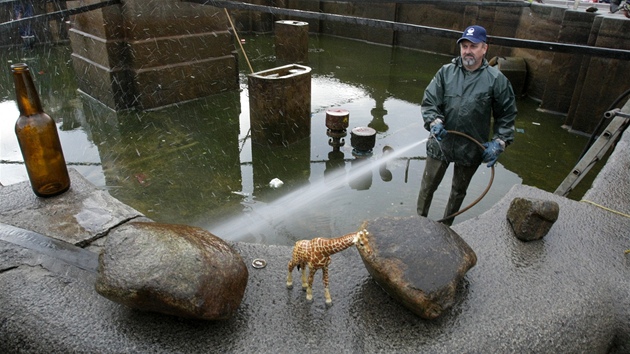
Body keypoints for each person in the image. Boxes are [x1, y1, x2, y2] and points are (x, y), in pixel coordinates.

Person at [417, 25, 517, 226]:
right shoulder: (446, 73)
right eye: (464, 46)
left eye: (473, 46)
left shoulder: (496, 80)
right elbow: (430, 101)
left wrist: (499, 141)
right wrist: (434, 121)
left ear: (484, 49)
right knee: (428, 186)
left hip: (471, 146)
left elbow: (506, 115)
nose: (467, 51)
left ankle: (445, 227)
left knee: (458, 191)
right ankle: (418, 222)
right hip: (441, 141)